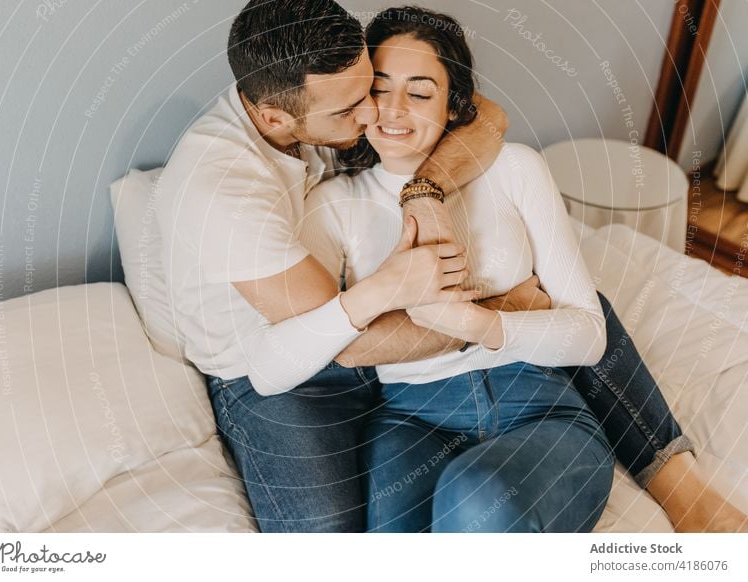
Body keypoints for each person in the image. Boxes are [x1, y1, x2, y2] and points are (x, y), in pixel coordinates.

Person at [157, 0, 747, 532]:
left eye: (415, 91)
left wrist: (423, 191)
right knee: (344, 543)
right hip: (335, 384)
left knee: (485, 485)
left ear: (450, 102)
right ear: (276, 120)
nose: (377, 111)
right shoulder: (259, 193)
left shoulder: (506, 166)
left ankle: (674, 476)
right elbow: (339, 347)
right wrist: (493, 309)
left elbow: (489, 117)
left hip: (528, 398)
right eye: (364, 98)